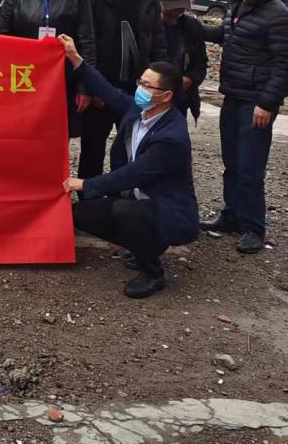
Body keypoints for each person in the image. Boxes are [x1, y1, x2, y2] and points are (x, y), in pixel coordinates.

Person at [59, 36, 199, 298]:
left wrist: (85, 184)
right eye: (140, 82)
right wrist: (76, 59)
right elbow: (107, 91)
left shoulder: (171, 136)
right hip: (140, 202)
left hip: (169, 211)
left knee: (124, 211)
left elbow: (133, 174)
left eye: (147, 85)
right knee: (80, 214)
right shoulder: (140, 110)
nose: (140, 89)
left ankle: (152, 272)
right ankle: (144, 245)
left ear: (166, 96)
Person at [199, 0, 288, 254]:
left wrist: (267, 103)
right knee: (232, 162)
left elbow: (285, 65)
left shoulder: (279, 15)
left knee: (250, 167)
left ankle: (254, 227)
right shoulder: (238, 6)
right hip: (232, 95)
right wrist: (185, 24)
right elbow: (224, 36)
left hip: (255, 101)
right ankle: (231, 215)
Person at [81, 0, 168, 181]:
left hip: (137, 90)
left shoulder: (148, 0)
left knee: (132, 147)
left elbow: (159, 44)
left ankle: (125, 195)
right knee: (92, 148)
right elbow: (86, 42)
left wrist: (158, 86)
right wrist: (91, 86)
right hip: (101, 87)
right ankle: (90, 197)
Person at [0, 0, 96, 134]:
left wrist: (86, 86)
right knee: (22, 132)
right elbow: (2, 36)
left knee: (56, 133)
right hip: (24, 76)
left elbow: (87, 40)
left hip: (63, 78)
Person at [157, 0, 208, 122]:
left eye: (180, 8)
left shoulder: (191, 27)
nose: (176, 12)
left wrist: (190, 79)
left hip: (180, 99)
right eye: (171, 8)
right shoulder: (147, 25)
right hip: (152, 96)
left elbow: (201, 62)